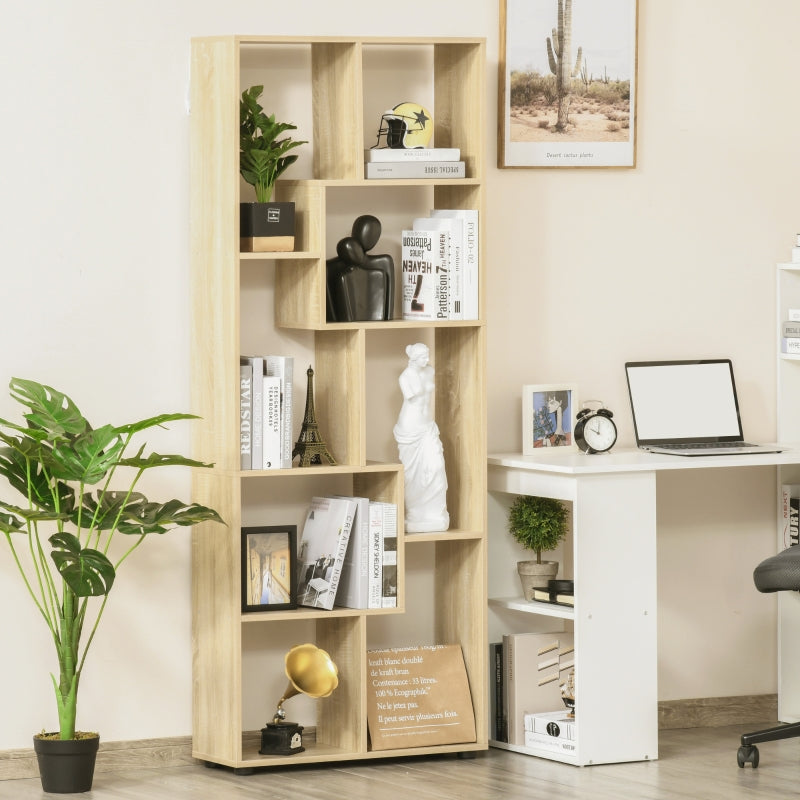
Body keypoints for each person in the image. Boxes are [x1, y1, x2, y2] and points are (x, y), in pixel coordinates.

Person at [393, 343, 449, 532]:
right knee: (412, 474)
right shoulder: (405, 377)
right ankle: (415, 514)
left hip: (428, 427)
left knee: (437, 467)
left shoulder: (429, 370)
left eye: (427, 356)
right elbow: (413, 397)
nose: (427, 360)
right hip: (410, 427)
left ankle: (435, 513)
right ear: (413, 359)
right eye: (423, 357)